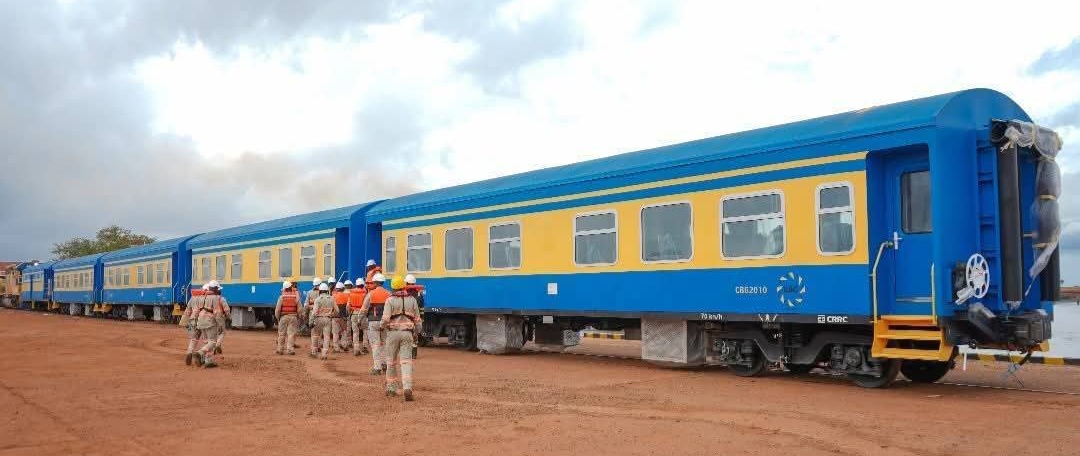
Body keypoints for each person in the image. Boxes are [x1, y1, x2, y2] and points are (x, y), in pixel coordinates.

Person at [382, 275, 422, 401]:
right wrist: (417, 332)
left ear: (393, 287)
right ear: (403, 286)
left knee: (391, 362)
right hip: (407, 334)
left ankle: (391, 388)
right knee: (406, 362)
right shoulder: (412, 300)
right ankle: (407, 388)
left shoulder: (389, 300)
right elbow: (418, 320)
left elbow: (385, 319)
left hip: (393, 334)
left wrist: (381, 327)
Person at [359, 273, 391, 374]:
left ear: (375, 283)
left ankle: (377, 368)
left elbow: (364, 309)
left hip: (373, 322)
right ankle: (385, 364)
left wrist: (360, 319)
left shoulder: (370, 294)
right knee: (385, 343)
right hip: (385, 322)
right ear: (383, 282)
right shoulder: (389, 294)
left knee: (375, 345)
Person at [195, 281, 230, 368]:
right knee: (213, 342)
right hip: (210, 321)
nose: (219, 290)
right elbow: (219, 314)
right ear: (215, 289)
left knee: (206, 341)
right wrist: (222, 324)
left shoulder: (203, 296)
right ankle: (200, 353)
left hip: (201, 320)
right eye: (218, 288)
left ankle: (208, 361)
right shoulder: (219, 298)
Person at [179, 284, 208, 366]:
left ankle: (189, 352)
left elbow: (188, 310)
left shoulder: (193, 298)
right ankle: (202, 357)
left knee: (194, 339)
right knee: (206, 340)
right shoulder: (206, 298)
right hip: (203, 320)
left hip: (192, 320)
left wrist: (185, 321)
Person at [309, 283, 337, 359]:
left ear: (320, 291)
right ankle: (324, 354)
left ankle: (314, 352)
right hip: (328, 319)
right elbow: (337, 310)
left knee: (315, 335)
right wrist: (331, 314)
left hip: (318, 319)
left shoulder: (317, 299)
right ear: (327, 290)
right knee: (327, 337)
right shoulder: (332, 298)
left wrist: (311, 321)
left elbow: (314, 312)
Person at [274, 281, 300, 355]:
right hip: (293, 317)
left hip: (283, 317)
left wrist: (278, 318)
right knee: (291, 334)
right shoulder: (295, 297)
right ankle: (290, 350)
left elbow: (277, 310)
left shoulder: (281, 297)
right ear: (291, 288)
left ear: (284, 288)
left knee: (281, 334)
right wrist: (298, 316)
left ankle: (280, 349)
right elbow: (300, 308)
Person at [347, 276, 369, 356]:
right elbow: (367, 305)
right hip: (363, 314)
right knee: (365, 330)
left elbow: (348, 305)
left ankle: (356, 349)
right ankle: (365, 346)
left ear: (356, 285)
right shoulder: (365, 294)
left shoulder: (351, 293)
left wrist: (349, 313)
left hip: (354, 314)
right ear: (363, 285)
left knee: (355, 332)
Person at [331, 282, 348, 352]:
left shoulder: (333, 296)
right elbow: (347, 307)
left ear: (337, 289)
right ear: (343, 288)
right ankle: (344, 345)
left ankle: (336, 348)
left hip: (335, 317)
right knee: (344, 332)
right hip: (343, 317)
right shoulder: (346, 296)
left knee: (335, 333)